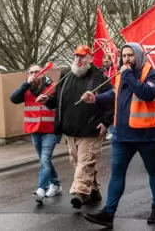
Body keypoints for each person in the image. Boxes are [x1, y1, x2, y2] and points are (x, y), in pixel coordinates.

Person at [81, 43, 155, 228]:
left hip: (146, 136)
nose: (126, 59)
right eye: (124, 56)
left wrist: (127, 75)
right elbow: (115, 93)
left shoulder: (152, 74)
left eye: (130, 56)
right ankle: (109, 213)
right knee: (117, 174)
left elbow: (147, 93)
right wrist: (96, 98)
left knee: (154, 172)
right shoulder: (122, 74)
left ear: (139, 56)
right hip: (121, 136)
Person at [36, 45, 114, 209]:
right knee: (78, 162)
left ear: (90, 58)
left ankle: (79, 193)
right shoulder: (65, 75)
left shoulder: (99, 77)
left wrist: (106, 122)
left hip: (91, 129)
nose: (79, 60)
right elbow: (57, 99)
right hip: (70, 130)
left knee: (85, 163)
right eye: (76, 56)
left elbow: (110, 101)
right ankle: (93, 191)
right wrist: (47, 101)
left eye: (83, 56)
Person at [9, 64, 62, 204]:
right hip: (34, 130)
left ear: (43, 73)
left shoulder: (53, 86)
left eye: (37, 72)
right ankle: (55, 184)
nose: (34, 74)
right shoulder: (26, 89)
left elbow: (59, 103)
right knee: (45, 160)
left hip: (50, 130)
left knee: (44, 160)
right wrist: (25, 84)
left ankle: (41, 189)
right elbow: (13, 99)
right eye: (31, 72)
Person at [102, 54, 117, 140]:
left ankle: (112, 131)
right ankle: (109, 132)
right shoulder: (102, 71)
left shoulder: (115, 70)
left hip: (113, 94)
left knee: (111, 113)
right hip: (104, 94)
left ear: (111, 61)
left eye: (107, 61)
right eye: (104, 62)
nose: (105, 63)